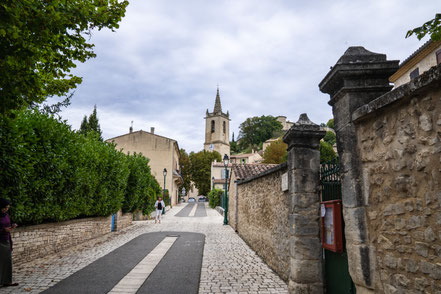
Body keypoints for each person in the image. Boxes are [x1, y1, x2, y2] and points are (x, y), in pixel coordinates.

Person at [0, 198, 18, 287]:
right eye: (5, 207)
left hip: (6, 240)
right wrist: (3, 230)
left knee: (7, 261)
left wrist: (12, 226)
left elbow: (7, 226)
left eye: (8, 207)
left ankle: (7, 281)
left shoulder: (6, 215)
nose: (6, 209)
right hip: (0, 241)